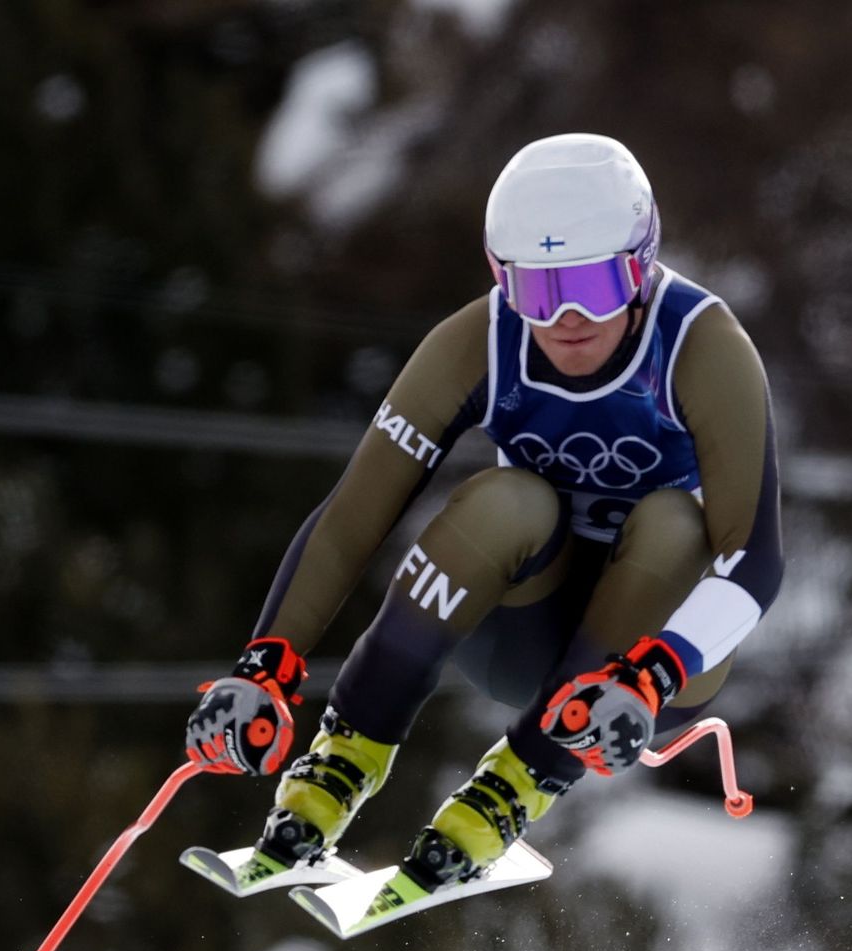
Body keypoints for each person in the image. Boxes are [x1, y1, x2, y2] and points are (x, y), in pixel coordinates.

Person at [183, 133, 783, 901]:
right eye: (537, 291)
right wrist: (265, 664)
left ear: (641, 266)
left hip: (642, 677)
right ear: (503, 279)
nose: (567, 319)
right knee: (507, 499)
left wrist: (654, 671)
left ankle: (512, 788)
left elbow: (752, 558)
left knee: (676, 521)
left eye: (594, 285)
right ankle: (338, 767)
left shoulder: (702, 345)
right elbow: (353, 514)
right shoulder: (480, 340)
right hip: (520, 635)